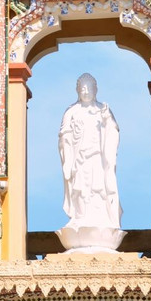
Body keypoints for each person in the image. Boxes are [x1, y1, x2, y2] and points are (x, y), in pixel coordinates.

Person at [58, 73, 122, 239]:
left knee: (98, 188)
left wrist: (107, 121)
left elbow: (113, 131)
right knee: (79, 189)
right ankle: (79, 217)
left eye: (89, 88)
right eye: (82, 88)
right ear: (77, 90)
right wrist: (69, 154)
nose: (86, 91)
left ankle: (102, 218)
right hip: (79, 160)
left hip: (97, 158)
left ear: (96, 89)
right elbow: (64, 136)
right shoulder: (71, 112)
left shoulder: (103, 110)